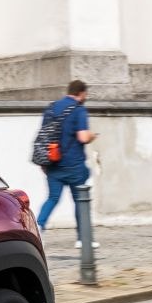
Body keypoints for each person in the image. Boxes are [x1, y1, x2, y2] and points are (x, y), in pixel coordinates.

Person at [36, 80, 95, 232]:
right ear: (81, 93)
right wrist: (92, 136)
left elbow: (44, 138)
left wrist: (44, 163)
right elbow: (83, 137)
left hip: (53, 163)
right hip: (74, 164)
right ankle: (82, 239)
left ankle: (38, 227)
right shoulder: (79, 110)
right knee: (80, 200)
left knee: (52, 198)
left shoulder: (51, 108)